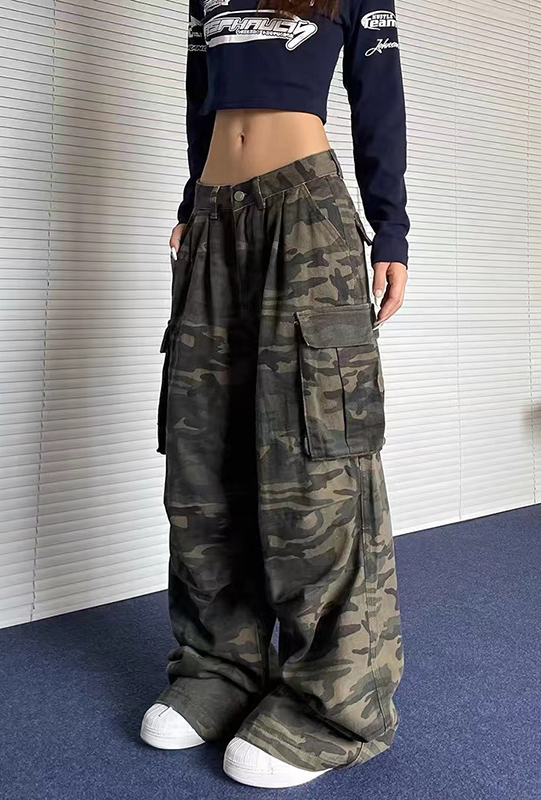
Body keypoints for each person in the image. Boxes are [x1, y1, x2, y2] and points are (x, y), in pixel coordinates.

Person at [141, 0, 409, 788]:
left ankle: (336, 702)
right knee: (202, 450)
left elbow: (379, 94)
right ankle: (221, 666)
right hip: (214, 216)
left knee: (316, 463)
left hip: (305, 212)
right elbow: (203, 95)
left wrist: (391, 231)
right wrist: (192, 202)